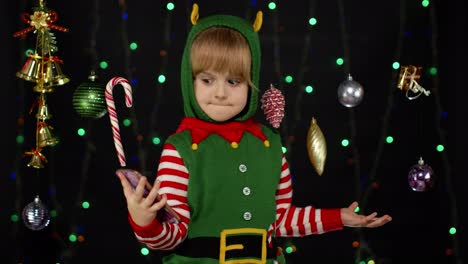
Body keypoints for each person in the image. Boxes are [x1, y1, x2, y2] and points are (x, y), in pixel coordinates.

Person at [116, 4, 392, 264]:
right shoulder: (180, 149)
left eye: (234, 81)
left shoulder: (268, 143)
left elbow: (281, 218)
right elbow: (171, 236)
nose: (221, 92)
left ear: (252, 81)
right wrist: (145, 221)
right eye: (207, 80)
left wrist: (339, 218)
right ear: (190, 82)